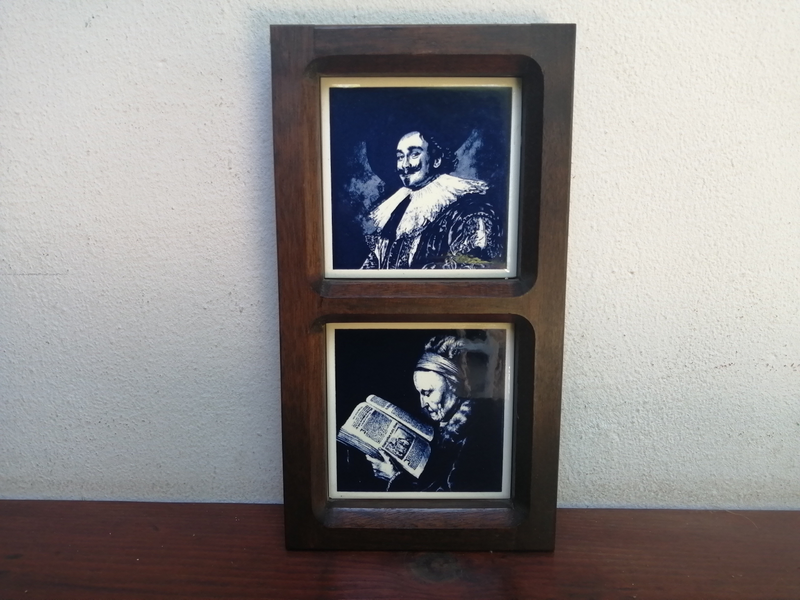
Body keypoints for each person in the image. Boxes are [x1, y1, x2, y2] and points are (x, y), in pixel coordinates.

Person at [366, 335, 504, 492]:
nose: (422, 403)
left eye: (427, 392)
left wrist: (394, 478)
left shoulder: (477, 435)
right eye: (419, 393)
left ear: (455, 385)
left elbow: (450, 504)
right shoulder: (454, 428)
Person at [361, 131, 503, 270]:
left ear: (436, 160)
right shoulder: (397, 208)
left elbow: (472, 267)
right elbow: (375, 263)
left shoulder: (469, 208)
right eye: (400, 157)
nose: (404, 165)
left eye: (414, 154)